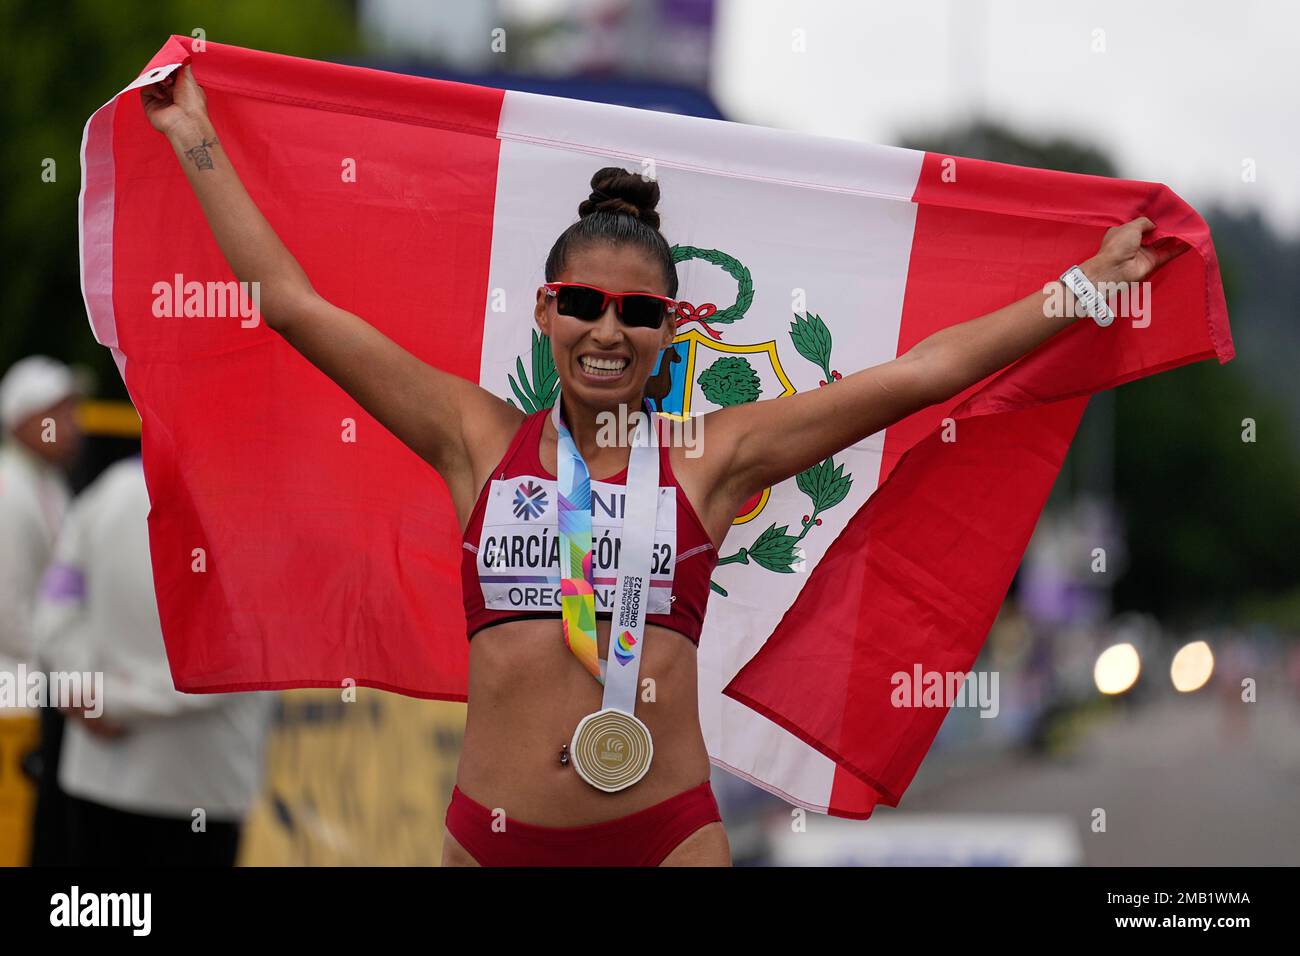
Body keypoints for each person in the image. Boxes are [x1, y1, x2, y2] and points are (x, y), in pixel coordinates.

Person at [140, 65, 1183, 867]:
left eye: (638, 312)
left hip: (663, 836)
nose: (608, 330)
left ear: (674, 330)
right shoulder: (472, 434)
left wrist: (1086, 288)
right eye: (584, 304)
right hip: (487, 836)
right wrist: (195, 139)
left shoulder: (712, 457)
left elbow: (921, 372)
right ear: (546, 310)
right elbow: (295, 304)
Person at [31, 455, 273, 866]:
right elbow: (251, 654)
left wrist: (94, 698)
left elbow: (55, 611)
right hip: (199, 788)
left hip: (100, 778)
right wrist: (113, 700)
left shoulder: (106, 492)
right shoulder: (257, 505)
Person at [0, 356, 81, 865]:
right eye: (60, 411)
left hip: (36, 694)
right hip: (15, 704)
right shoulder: (11, 491)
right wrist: (69, 672)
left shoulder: (46, 485)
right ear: (24, 419)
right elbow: (7, 614)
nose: (72, 424)